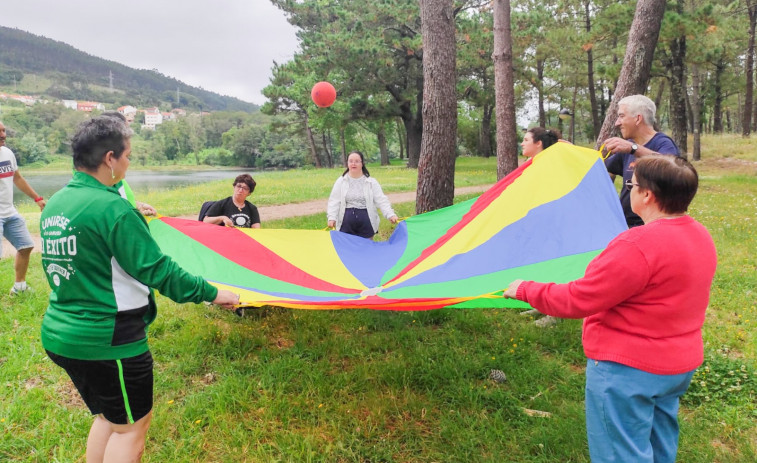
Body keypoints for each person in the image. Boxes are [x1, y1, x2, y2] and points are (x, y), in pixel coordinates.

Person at [39, 116, 239, 462]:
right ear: (110, 159)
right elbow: (157, 270)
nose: (130, 163)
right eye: (128, 156)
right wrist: (212, 292)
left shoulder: (56, 204)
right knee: (132, 428)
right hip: (109, 342)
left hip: (61, 334)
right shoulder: (113, 209)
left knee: (110, 416)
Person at [503, 155, 716, 463]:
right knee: (659, 444)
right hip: (678, 366)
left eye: (632, 185)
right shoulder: (700, 234)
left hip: (629, 370)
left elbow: (579, 299)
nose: (630, 190)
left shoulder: (637, 245)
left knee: (621, 453)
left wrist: (526, 289)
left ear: (647, 195)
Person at [602, 94, 680, 227]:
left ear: (638, 119)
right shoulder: (628, 147)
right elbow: (601, 169)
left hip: (652, 227)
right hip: (626, 226)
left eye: (621, 116)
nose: (617, 123)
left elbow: (673, 167)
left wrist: (633, 148)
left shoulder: (662, 143)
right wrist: (571, 152)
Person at [518, 126, 564, 327]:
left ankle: (555, 313)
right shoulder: (532, 163)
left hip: (552, 223)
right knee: (541, 264)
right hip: (536, 222)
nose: (522, 143)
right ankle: (542, 303)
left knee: (554, 266)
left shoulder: (549, 164)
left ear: (539, 144)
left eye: (526, 139)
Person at [0, 120, 46, 295]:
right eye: (0, 131)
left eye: (4, 130)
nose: (3, 135)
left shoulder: (7, 153)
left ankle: (19, 287)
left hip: (9, 211)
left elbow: (17, 178)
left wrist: (38, 199)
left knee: (26, 245)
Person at [327, 151, 398, 239]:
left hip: (366, 223)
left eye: (357, 161)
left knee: (367, 250)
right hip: (346, 224)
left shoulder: (371, 182)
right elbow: (334, 201)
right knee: (348, 251)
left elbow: (381, 200)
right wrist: (331, 217)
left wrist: (390, 214)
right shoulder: (341, 181)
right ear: (347, 163)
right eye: (351, 161)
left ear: (362, 163)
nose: (353, 164)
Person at [101, 111, 156, 216]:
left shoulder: (114, 177)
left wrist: (136, 205)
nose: (128, 163)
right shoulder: (102, 184)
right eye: (127, 156)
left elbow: (122, 200)